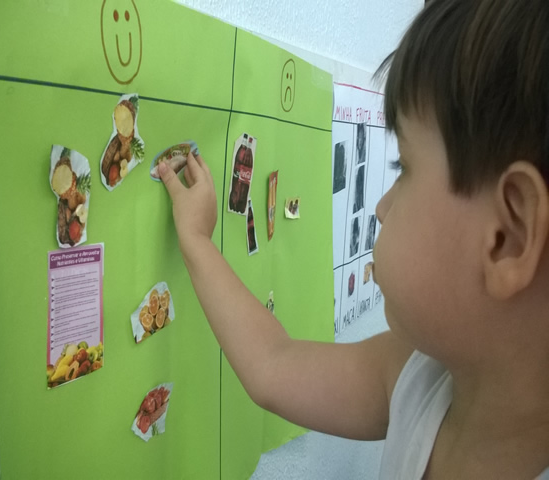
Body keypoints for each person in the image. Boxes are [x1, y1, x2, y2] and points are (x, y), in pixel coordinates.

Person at [158, 0, 549, 477]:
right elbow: (273, 364)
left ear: (506, 238)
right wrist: (197, 239)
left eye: (403, 168)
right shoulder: (413, 377)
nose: (380, 207)